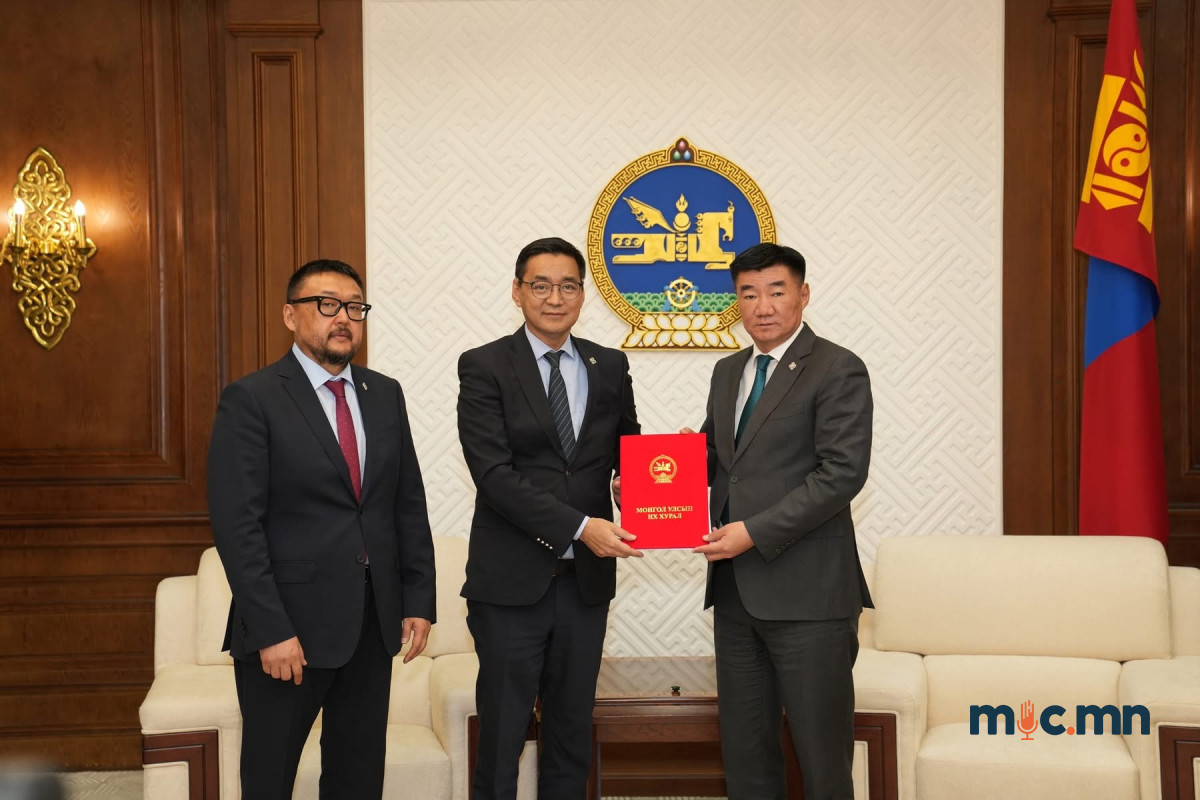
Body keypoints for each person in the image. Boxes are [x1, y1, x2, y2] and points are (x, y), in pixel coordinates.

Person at [207, 259, 436, 799]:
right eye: (327, 305)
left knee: (358, 778)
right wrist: (271, 630)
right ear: (291, 315)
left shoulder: (385, 393)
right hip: (289, 631)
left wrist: (418, 599)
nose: (343, 318)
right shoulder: (253, 398)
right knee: (269, 778)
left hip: (371, 624)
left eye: (354, 307)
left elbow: (406, 503)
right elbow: (238, 527)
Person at [457, 237, 641, 800]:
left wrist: (647, 481)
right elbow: (493, 475)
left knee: (570, 736)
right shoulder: (485, 365)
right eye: (540, 285)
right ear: (517, 292)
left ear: (583, 294)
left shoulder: (610, 365)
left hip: (584, 587)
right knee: (503, 738)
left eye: (567, 286)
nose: (554, 298)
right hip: (510, 587)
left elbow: (627, 452)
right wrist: (582, 526)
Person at [690, 242, 873, 800]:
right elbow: (719, 461)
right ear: (736, 301)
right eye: (749, 294)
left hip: (810, 598)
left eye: (776, 291)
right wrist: (648, 484)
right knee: (747, 758)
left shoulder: (837, 367)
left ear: (803, 294)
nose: (763, 306)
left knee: (822, 761)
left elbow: (841, 474)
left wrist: (753, 532)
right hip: (736, 596)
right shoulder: (728, 371)